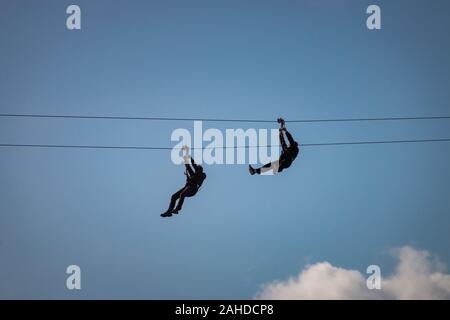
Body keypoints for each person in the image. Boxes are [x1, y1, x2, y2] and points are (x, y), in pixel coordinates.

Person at [161, 146, 206, 217]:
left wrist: (188, 154)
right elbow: (188, 165)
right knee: (174, 196)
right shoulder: (193, 174)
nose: (196, 169)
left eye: (198, 169)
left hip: (193, 189)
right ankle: (168, 212)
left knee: (182, 194)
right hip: (187, 187)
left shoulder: (202, 175)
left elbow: (193, 165)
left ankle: (177, 209)